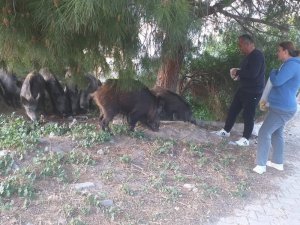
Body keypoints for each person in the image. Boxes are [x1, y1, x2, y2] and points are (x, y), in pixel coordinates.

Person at [253, 41, 300, 174]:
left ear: (286, 51)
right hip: (283, 107)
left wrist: (273, 72)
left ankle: (261, 165)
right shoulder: (292, 64)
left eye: (279, 50)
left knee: (263, 132)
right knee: (276, 133)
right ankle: (277, 162)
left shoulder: (292, 65)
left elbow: (278, 81)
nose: (277, 53)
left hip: (282, 108)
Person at [215, 34, 266, 146]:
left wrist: (238, 72)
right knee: (233, 110)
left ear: (247, 44)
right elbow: (246, 71)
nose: (240, 48)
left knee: (248, 114)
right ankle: (226, 131)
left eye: (240, 45)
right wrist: (237, 74)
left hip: (253, 91)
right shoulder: (248, 56)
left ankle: (245, 139)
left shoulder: (257, 55)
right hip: (243, 89)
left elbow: (253, 73)